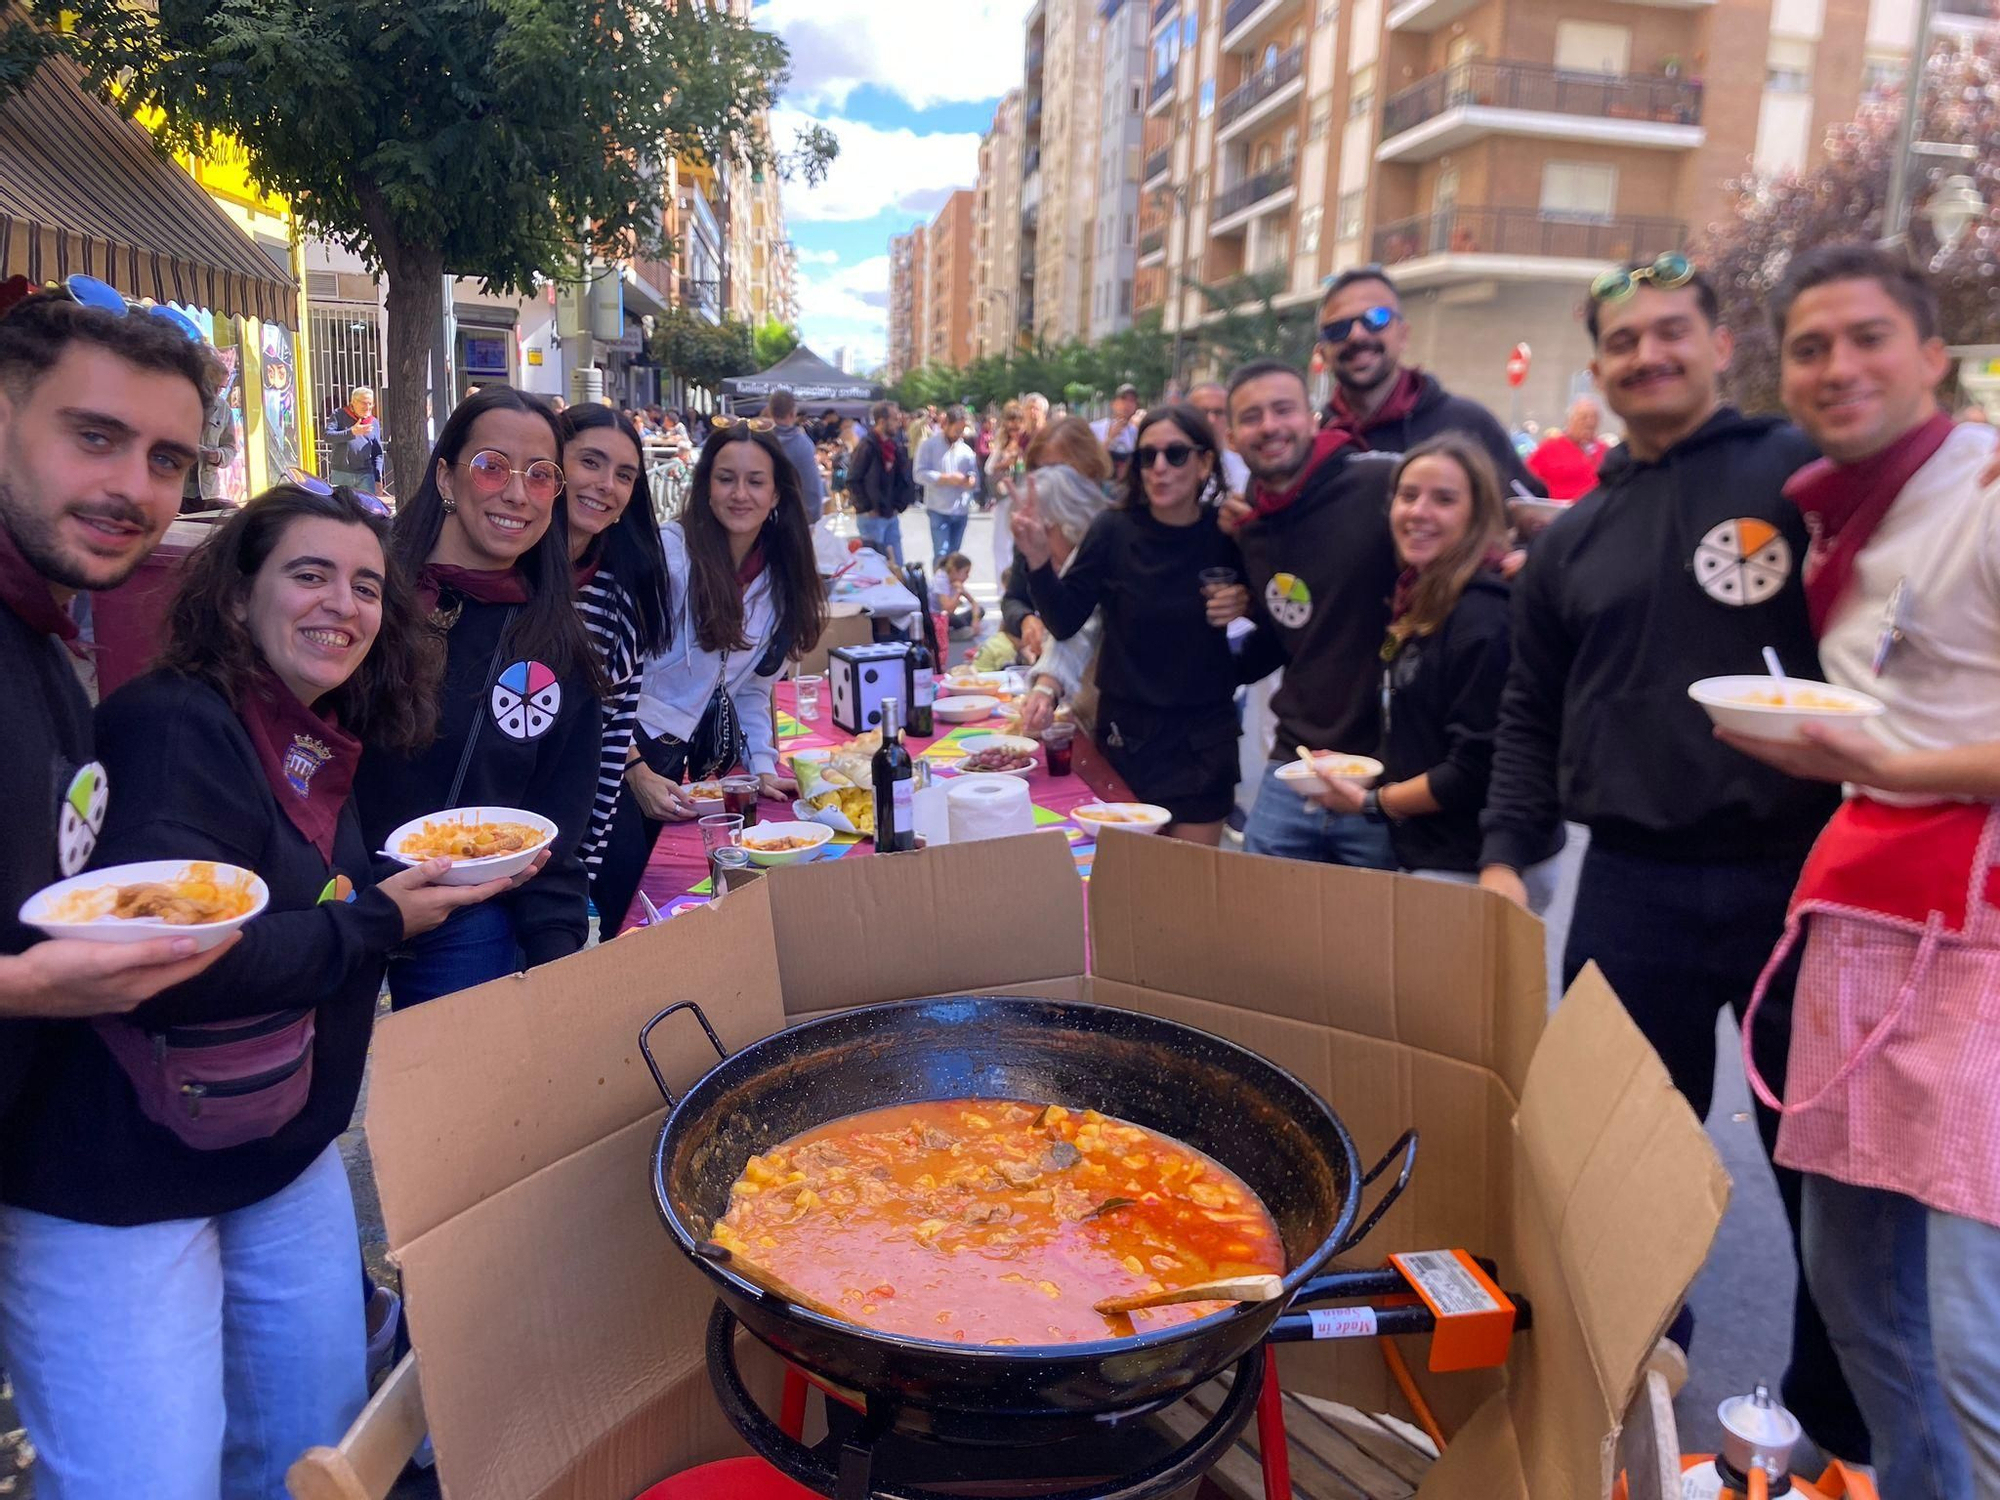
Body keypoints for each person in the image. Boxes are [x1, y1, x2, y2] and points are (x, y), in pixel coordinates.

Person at [0, 483, 531, 1499]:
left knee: (309, 1450)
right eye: (309, 574)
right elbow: (171, 966)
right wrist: (380, 921)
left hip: (277, 1145)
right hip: (120, 1177)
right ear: (238, 597)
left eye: (366, 586)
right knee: (150, 1480)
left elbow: (306, 904)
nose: (343, 604)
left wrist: (398, 898)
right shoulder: (173, 726)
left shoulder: (313, 729)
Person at [1477, 254, 1867, 1464]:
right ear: (1597, 367)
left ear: (1716, 343)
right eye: (1622, 341)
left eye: (1668, 331)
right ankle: (1640, 1354)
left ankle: (1833, 1418)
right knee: (1622, 1149)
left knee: (1817, 1158)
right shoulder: (1573, 538)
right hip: (1628, 883)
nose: (1645, 355)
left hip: (1794, 875)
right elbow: (1527, 716)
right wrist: (1502, 857)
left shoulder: (1796, 475)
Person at [1717, 244, 2000, 1500]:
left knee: (1974, 1341)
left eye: (1867, 337)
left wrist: (1891, 759)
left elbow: (1904, 739)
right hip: (1865, 922)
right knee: (1855, 1296)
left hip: (1979, 943)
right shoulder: (1839, 507)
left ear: (1932, 356)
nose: (1837, 367)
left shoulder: (1982, 488)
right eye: (1810, 347)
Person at [0, 289, 246, 1172]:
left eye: (166, 459)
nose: (134, 489)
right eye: (95, 437)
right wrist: (23, 986)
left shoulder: (47, 639)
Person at [358, 387, 605, 1010]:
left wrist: (557, 954)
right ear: (446, 476)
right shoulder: (365, 599)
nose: (517, 494)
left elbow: (558, 820)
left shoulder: (557, 642)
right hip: (341, 894)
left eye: (540, 475)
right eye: (492, 466)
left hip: (469, 909)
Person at [591, 428, 829, 931]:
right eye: (726, 479)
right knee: (629, 910)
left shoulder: (779, 575)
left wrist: (762, 764)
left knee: (689, 899)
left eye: (755, 481)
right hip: (617, 749)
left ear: (776, 495)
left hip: (684, 764)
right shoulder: (670, 555)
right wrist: (634, 769)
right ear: (705, 487)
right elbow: (601, 675)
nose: (740, 494)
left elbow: (750, 687)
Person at [1305, 436, 1555, 907]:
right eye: (1409, 495)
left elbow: (1476, 767)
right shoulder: (1423, 594)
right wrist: (1361, 770)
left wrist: (1371, 802)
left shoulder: (1482, 615)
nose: (1419, 512)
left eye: (1444, 499)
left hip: (1477, 866)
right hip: (1434, 850)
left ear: (1477, 515)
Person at [1013, 407, 1274, 844]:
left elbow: (1279, 625)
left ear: (1204, 462)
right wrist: (1038, 562)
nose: (1159, 467)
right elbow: (1067, 619)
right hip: (1127, 737)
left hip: (1203, 740)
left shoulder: (1227, 534)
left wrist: (1236, 654)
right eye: (1147, 456)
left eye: (1175, 454)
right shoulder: (1113, 530)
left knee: (1188, 878)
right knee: (1130, 877)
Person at [1224, 358, 1404, 868]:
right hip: (1296, 760)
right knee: (1257, 907)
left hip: (1384, 771)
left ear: (1311, 419)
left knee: (1374, 919)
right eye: (1252, 416)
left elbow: (1480, 512)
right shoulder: (1251, 529)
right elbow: (1282, 637)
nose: (1270, 426)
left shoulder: (1381, 483)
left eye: (1283, 410)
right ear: (1233, 438)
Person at [557, 404, 674, 920]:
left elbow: (612, 727)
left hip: (579, 842)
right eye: (590, 462)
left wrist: (582, 866)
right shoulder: (508, 576)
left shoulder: (623, 590)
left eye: (624, 475)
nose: (606, 485)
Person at [1317, 266, 1543, 497]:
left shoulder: (1468, 426)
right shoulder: (1311, 440)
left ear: (1403, 335)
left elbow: (1529, 511)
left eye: (1376, 318)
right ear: (1323, 352)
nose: (1357, 335)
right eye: (1337, 328)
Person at [1014, 469, 1116, 740]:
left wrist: (1046, 686)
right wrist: (1045, 687)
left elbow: (1078, 626)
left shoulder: (1102, 545)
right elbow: (1071, 632)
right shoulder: (1073, 555)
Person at [845, 399, 912, 565]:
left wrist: (899, 505)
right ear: (882, 421)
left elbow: (901, 478)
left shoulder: (893, 446)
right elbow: (853, 479)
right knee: (875, 565)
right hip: (871, 517)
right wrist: (867, 507)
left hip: (890, 514)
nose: (898, 423)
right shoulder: (867, 446)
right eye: (895, 419)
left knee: (897, 564)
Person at [916, 405, 981, 563]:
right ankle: (940, 579)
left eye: (962, 430)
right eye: (957, 429)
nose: (960, 434)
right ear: (946, 424)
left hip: (961, 510)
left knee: (954, 558)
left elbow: (975, 478)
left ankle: (950, 579)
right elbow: (919, 474)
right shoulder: (928, 446)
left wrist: (970, 482)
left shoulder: (966, 450)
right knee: (941, 554)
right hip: (938, 509)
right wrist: (945, 478)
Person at [1525, 396, 1609, 501]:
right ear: (1570, 420)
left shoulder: (1606, 451)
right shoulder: (1549, 448)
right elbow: (1526, 481)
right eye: (1584, 417)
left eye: (1595, 417)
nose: (1590, 422)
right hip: (1560, 509)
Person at [766, 388, 826, 522]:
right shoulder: (802, 445)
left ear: (770, 411)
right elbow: (811, 488)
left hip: (760, 516)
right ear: (793, 413)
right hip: (792, 519)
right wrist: (813, 518)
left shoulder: (760, 440)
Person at [1190, 380, 1252, 499]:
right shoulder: (1164, 464)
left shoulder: (1245, 473)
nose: (1211, 420)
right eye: (1203, 412)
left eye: (1219, 412)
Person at [325, 386, 386, 495]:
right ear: (353, 402)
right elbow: (328, 436)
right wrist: (351, 432)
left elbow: (377, 453)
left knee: (366, 506)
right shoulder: (339, 415)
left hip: (366, 476)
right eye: (364, 403)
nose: (367, 407)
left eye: (370, 403)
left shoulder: (373, 422)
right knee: (342, 505)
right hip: (342, 474)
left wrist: (378, 479)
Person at [929, 551, 982, 637]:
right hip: (936, 616)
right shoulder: (941, 580)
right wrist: (958, 592)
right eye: (966, 572)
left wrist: (975, 620)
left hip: (947, 616)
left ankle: (965, 629)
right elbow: (948, 609)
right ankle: (953, 632)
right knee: (955, 619)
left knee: (981, 611)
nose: (967, 576)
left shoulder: (955, 581)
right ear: (954, 570)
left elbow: (974, 603)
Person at [1090, 382, 1142, 452]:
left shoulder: (1136, 433)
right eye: (1123, 399)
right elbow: (1089, 456)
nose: (1128, 404)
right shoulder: (1094, 428)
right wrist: (1110, 438)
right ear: (1113, 403)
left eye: (1132, 400)